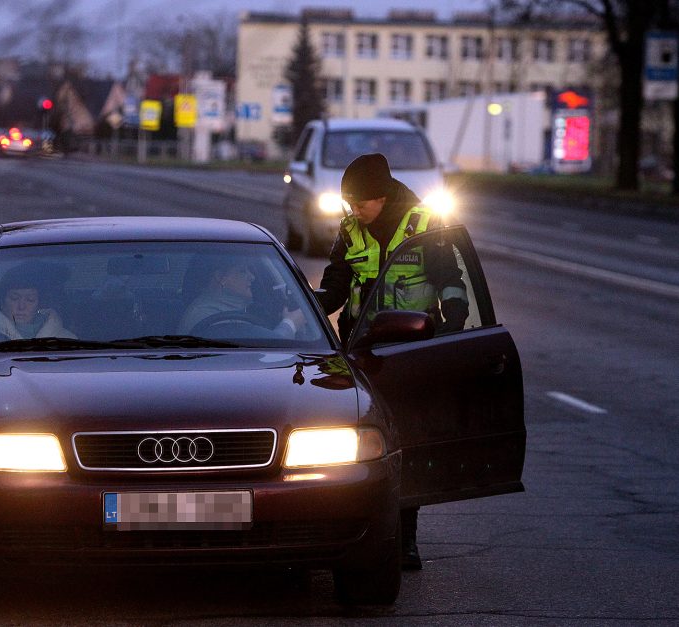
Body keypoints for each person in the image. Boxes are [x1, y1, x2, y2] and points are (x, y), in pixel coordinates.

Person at [315, 153, 470, 571]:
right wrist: (299, 311)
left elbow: (452, 282)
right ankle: (354, 533)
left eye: (359, 204)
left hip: (411, 351)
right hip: (363, 352)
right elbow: (334, 288)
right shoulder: (350, 230)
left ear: (381, 197)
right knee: (363, 448)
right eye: (348, 205)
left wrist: (452, 331)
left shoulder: (425, 224)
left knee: (408, 446)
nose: (353, 212)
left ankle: (406, 540)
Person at [178, 258, 306, 339]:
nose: (252, 277)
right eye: (242, 271)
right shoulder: (206, 314)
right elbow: (267, 347)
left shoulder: (242, 308)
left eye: (250, 270)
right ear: (221, 278)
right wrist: (290, 323)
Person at [0, 263, 75, 346]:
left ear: (39, 305)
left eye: (30, 300)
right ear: (1, 302)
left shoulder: (68, 342)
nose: (21, 306)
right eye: (14, 298)